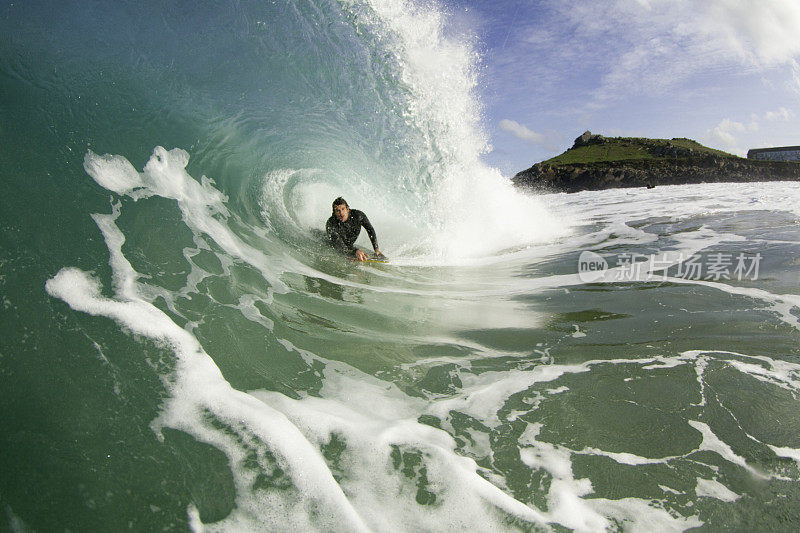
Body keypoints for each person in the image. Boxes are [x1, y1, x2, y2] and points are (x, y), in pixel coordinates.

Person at [325, 197, 384, 261]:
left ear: (347, 209)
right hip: (335, 246)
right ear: (334, 213)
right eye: (338, 211)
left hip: (349, 247)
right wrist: (354, 252)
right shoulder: (331, 224)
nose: (341, 213)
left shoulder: (358, 216)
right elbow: (339, 245)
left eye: (343, 209)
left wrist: (376, 250)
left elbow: (370, 230)